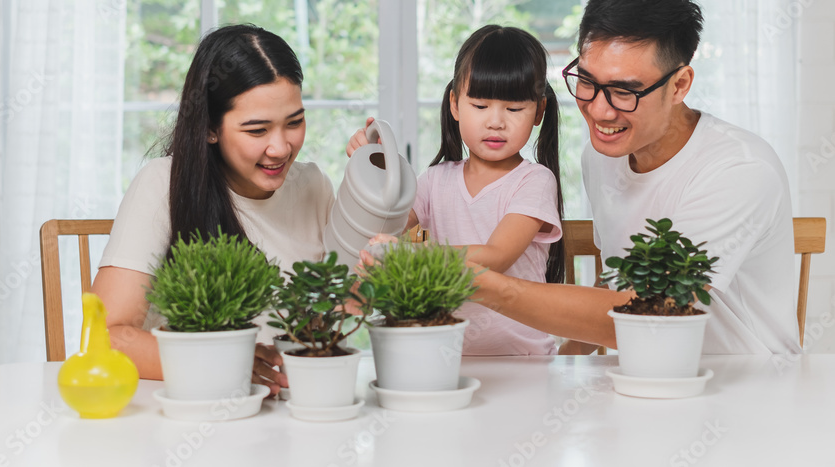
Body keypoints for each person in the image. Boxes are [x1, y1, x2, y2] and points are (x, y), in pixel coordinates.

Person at [471, 0, 801, 355]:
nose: (598, 110)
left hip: (744, 390)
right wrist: (560, 366)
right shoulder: (602, 155)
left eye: (624, 91)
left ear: (679, 85)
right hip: (646, 382)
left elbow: (648, 318)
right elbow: (615, 288)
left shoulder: (739, 170)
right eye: (587, 81)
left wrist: (481, 283)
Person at [92, 24, 344, 394]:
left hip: (287, 412)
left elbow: (332, 321)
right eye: (257, 131)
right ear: (210, 127)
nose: (281, 148)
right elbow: (105, 338)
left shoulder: (313, 187)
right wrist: (225, 364)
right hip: (192, 413)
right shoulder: (163, 184)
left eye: (294, 122)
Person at [353, 25, 565, 356]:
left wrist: (413, 255)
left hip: (525, 361)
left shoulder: (534, 181)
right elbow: (383, 227)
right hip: (446, 358)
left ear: (539, 111)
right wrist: (373, 170)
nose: (496, 122)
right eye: (480, 106)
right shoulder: (433, 180)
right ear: (454, 104)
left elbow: (496, 256)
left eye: (513, 109)